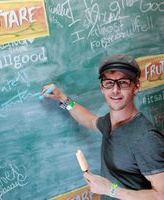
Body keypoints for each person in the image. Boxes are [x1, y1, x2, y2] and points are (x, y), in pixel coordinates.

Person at [41, 54, 164, 200]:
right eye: (109, 83)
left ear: (136, 86)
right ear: (102, 87)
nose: (115, 90)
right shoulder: (109, 123)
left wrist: (110, 190)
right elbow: (89, 120)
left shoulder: (146, 138)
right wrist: (63, 98)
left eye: (123, 83)